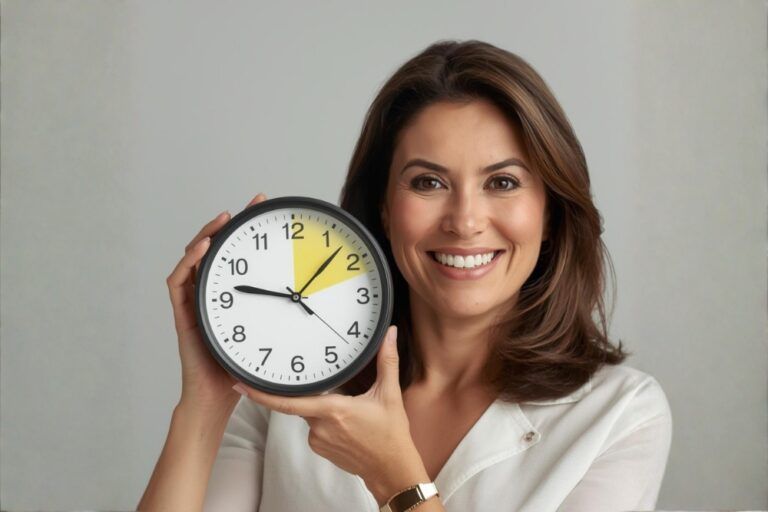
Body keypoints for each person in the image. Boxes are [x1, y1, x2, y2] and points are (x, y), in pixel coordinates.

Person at [137, 39, 673, 512]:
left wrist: (396, 479)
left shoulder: (619, 415)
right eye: (428, 183)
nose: (465, 221)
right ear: (385, 210)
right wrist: (205, 401)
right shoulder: (287, 399)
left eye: (503, 183)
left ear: (550, 212)